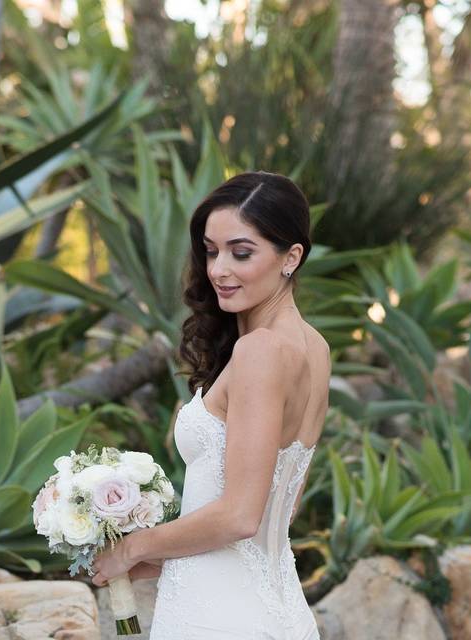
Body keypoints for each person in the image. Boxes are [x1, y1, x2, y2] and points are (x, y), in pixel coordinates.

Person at [90, 171, 329, 639]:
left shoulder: (260, 351)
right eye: (211, 250)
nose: (219, 268)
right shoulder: (314, 348)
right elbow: (278, 510)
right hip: (275, 610)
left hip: (217, 618)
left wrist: (133, 547)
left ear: (291, 257)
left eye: (241, 253)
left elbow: (241, 515)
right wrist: (160, 558)